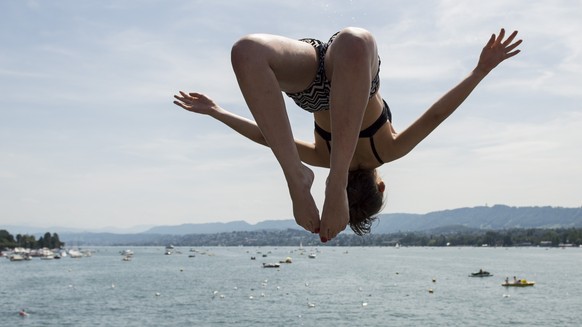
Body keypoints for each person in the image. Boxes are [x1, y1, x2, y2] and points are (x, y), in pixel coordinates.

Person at [174, 27, 522, 243]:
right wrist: (216, 112)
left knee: (353, 42)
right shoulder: (327, 157)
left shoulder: (389, 149)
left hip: (335, 72)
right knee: (246, 54)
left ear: (380, 185)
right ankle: (310, 177)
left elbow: (436, 114)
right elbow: (264, 137)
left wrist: (480, 71)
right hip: (315, 88)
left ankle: (298, 176)